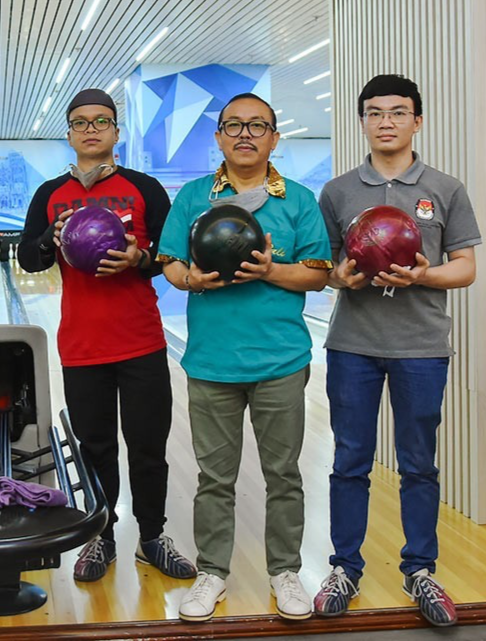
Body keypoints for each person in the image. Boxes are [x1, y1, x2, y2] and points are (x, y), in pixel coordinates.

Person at [312, 75, 480, 628]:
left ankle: (421, 569)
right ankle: (345, 568)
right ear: (363, 121)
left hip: (422, 348)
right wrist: (346, 278)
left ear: (417, 121)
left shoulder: (446, 188)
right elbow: (329, 271)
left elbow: (465, 268)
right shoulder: (337, 191)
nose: (386, 121)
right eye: (375, 112)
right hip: (353, 346)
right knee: (349, 461)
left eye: (398, 112)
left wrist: (424, 273)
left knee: (419, 465)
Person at [157, 93, 331, 622]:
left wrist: (270, 271)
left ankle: (285, 571)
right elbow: (170, 264)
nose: (245, 134)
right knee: (215, 477)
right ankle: (213, 571)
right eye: (233, 125)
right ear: (219, 137)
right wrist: (193, 279)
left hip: (281, 360)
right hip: (211, 361)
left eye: (258, 125)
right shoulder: (191, 197)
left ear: (275, 137)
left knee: (283, 475)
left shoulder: (299, 200)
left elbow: (319, 272)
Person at [18, 88, 197, 585]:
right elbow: (27, 259)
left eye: (101, 121)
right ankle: (101, 535)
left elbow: (167, 256)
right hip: (82, 345)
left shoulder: (145, 188)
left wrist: (140, 257)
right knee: (94, 446)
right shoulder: (50, 193)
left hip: (140, 340)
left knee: (147, 446)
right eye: (80, 122)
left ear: (117, 132)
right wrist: (49, 238)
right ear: (70, 134)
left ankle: (153, 536)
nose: (91, 129)